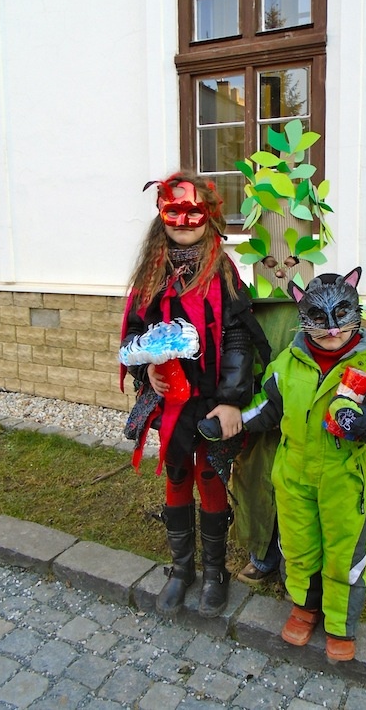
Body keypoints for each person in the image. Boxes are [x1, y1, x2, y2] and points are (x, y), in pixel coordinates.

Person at [240, 267, 366, 662]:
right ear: (303, 314)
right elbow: (266, 407)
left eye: (342, 315)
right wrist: (228, 421)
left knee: (343, 551)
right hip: (294, 474)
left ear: (356, 310)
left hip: (342, 479)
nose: (333, 329)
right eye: (319, 318)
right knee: (298, 545)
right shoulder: (289, 362)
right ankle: (304, 607)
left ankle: (340, 622)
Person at [120, 171, 269, 620]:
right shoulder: (151, 273)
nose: (184, 221)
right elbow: (135, 332)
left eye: (193, 212)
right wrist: (146, 367)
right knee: (178, 472)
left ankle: (214, 573)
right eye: (174, 212)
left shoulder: (222, 271)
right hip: (170, 398)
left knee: (209, 475)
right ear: (160, 215)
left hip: (210, 396)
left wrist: (231, 399)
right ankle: (182, 569)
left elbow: (239, 336)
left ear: (209, 216)